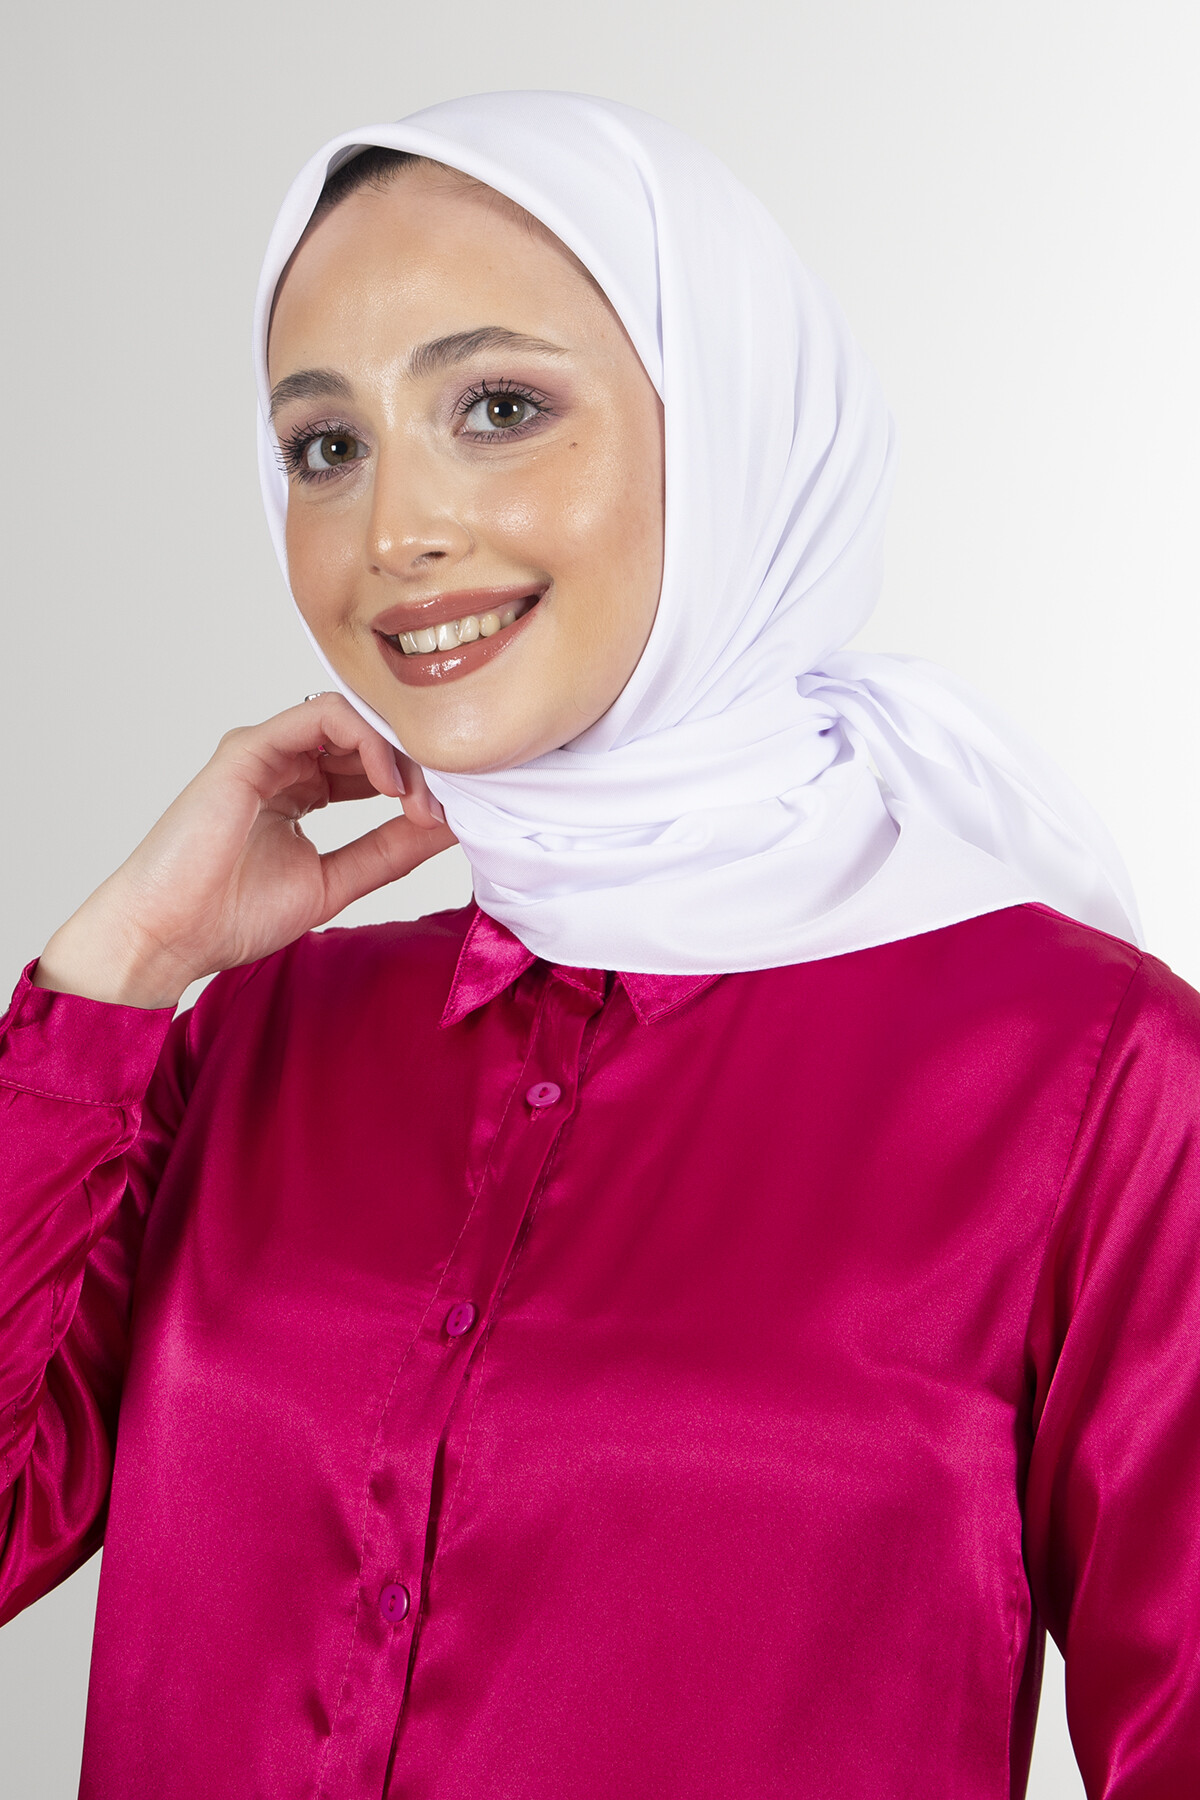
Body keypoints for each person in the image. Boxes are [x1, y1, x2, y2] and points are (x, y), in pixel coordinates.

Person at [1, 91, 1197, 1799]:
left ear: (726, 431)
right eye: (325, 446)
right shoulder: (252, 1037)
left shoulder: (1089, 1082)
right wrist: (111, 973)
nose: (392, 534)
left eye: (497, 408)